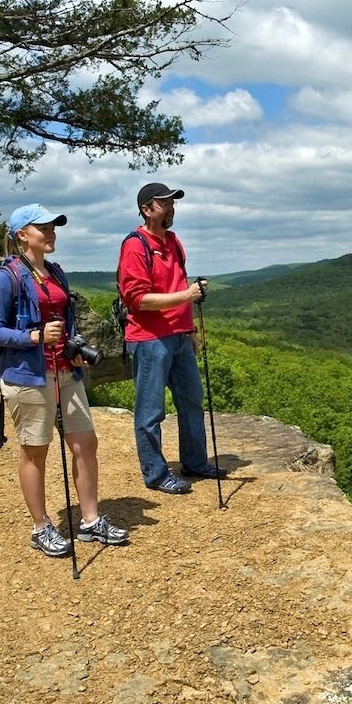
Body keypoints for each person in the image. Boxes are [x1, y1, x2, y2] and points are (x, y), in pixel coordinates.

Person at [0, 204, 129, 556]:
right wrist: (34, 338)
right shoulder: (8, 276)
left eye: (53, 227)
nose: (51, 233)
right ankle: (41, 526)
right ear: (22, 235)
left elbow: (67, 322)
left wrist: (73, 348)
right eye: (43, 228)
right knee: (36, 450)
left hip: (65, 370)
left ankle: (91, 520)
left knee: (85, 443)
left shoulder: (56, 272)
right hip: (28, 376)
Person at [117, 182, 227, 494]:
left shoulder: (174, 242)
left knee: (192, 401)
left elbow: (177, 285)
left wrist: (189, 329)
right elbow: (137, 300)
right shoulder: (135, 245)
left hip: (179, 337)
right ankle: (156, 473)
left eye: (172, 203)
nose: (171, 208)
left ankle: (195, 461)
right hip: (149, 339)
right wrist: (187, 295)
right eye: (165, 203)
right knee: (151, 411)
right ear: (146, 209)